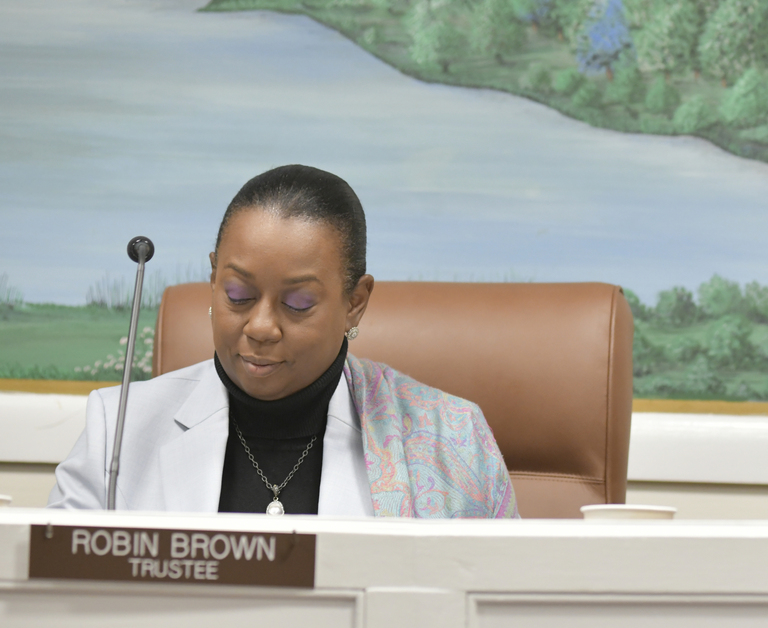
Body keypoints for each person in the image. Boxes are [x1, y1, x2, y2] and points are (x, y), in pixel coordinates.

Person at [50, 165, 520, 518]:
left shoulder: (449, 439)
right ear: (213, 277)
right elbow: (58, 606)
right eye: (237, 294)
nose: (260, 326)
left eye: (297, 303)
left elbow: (499, 614)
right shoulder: (120, 427)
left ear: (355, 302)